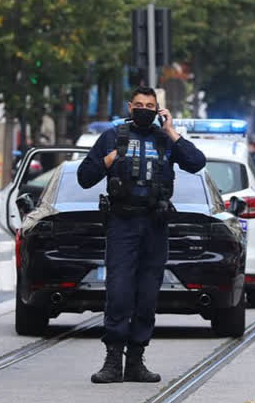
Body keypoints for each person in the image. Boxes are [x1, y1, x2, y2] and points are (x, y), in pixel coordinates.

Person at [77, 87, 206, 384]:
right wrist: (107, 161)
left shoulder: (165, 138)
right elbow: (85, 178)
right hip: (123, 223)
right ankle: (113, 361)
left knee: (148, 294)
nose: (144, 109)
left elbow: (196, 163)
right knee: (119, 292)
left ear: (159, 109)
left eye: (150, 105)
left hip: (155, 224)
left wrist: (172, 131)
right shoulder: (112, 136)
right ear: (130, 107)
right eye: (139, 104)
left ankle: (136, 360)